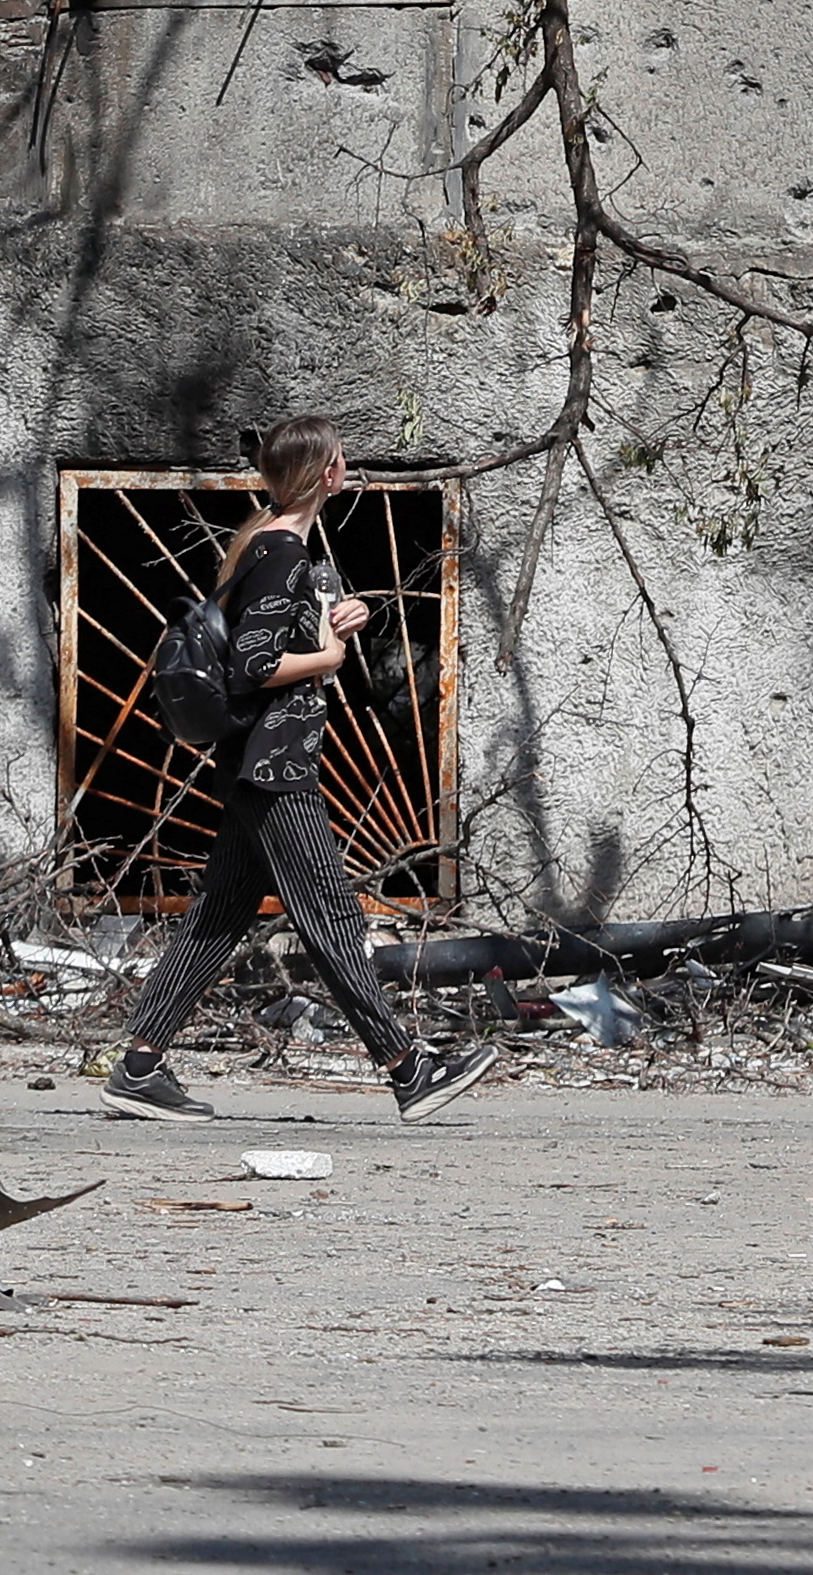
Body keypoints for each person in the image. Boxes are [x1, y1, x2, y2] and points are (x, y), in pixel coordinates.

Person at [104, 421, 501, 1123]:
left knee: (215, 919)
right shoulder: (281, 549)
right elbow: (254, 665)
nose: (348, 464)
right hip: (275, 765)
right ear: (325, 473)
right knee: (331, 920)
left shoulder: (273, 546)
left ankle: (139, 1065)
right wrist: (328, 660)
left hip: (255, 762)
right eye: (342, 457)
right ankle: (409, 1068)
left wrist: (346, 615)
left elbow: (286, 626)